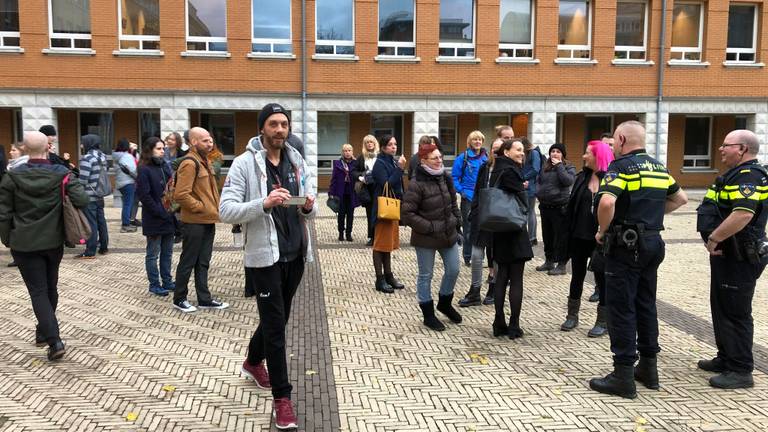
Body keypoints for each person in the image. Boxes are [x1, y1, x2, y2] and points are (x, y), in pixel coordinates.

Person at [220, 102, 316, 430]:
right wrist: (263, 203)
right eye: (273, 124)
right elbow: (226, 210)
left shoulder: (295, 159)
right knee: (276, 327)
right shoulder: (244, 164)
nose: (279, 130)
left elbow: (308, 202)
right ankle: (282, 399)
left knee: (279, 317)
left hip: (296, 253)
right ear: (262, 128)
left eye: (284, 124)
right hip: (265, 258)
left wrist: (307, 206)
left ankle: (251, 361)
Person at [589, 120, 688, 399]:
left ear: (620, 139)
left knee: (622, 308)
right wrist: (651, 218)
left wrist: (602, 230)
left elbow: (607, 202)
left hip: (625, 246)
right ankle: (648, 368)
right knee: (646, 304)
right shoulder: (658, 167)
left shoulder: (620, 168)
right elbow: (680, 199)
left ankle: (622, 376)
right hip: (653, 243)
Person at [0, 131, 89, 360]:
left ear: (25, 150)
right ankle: (46, 333)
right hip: (53, 241)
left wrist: (7, 239)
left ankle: (53, 339)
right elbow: (82, 200)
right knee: (50, 288)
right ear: (48, 147)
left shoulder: (12, 177)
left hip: (23, 242)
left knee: (38, 291)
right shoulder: (62, 174)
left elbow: (3, 213)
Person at [696, 129, 768, 389]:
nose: (721, 149)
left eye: (727, 145)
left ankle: (740, 370)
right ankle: (726, 357)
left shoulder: (749, 176)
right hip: (727, 254)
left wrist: (714, 238)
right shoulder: (735, 175)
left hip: (739, 255)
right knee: (722, 307)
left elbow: (742, 215)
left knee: (736, 312)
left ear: (742, 149)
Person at [402, 142, 462, 331]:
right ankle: (428, 314)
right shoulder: (416, 184)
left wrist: (457, 221)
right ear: (423, 161)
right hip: (426, 237)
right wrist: (429, 226)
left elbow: (453, 202)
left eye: (440, 157)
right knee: (425, 275)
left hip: (448, 233)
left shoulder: (445, 177)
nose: (439, 161)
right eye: (435, 158)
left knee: (453, 269)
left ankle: (444, 302)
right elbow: (407, 214)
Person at [172, 127, 229, 313]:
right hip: (194, 222)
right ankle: (179, 298)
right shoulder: (190, 163)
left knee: (203, 261)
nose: (210, 143)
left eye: (210, 139)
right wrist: (201, 207)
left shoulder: (205, 161)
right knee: (188, 261)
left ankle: (204, 299)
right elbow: (181, 194)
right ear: (193, 142)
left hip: (207, 221)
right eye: (205, 140)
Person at [561, 140, 614, 336]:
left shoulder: (610, 179)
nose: (584, 156)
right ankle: (572, 315)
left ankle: (603, 320)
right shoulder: (582, 178)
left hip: (601, 238)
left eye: (588, 153)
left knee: (602, 278)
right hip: (579, 235)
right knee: (577, 275)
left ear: (598, 156)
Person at [490, 139, 533, 339]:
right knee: (516, 279)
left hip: (499, 230)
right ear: (506, 152)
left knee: (501, 277)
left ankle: (499, 322)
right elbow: (522, 200)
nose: (521, 153)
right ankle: (514, 325)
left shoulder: (495, 170)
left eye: (522, 150)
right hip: (514, 229)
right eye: (517, 150)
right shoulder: (511, 172)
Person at [458, 137, 504, 307]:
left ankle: (493, 288)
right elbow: (477, 190)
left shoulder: (507, 170)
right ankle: (475, 291)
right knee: (477, 256)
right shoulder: (485, 167)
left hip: (498, 220)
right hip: (481, 217)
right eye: (494, 149)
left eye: (500, 150)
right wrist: (474, 209)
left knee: (496, 257)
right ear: (490, 150)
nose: (496, 153)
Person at [136, 137, 176, 297]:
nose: (162, 151)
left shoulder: (164, 166)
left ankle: (167, 280)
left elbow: (171, 188)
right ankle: (154, 284)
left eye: (163, 148)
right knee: (153, 253)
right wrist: (160, 211)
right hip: (154, 218)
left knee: (167, 252)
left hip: (168, 217)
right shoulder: (144, 169)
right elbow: (144, 196)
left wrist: (171, 209)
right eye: (159, 148)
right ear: (150, 150)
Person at [371, 134, 407, 294]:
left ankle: (389, 276)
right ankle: (380, 279)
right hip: (383, 210)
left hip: (392, 208)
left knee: (388, 245)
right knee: (380, 246)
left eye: (395, 144)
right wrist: (399, 169)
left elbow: (398, 185)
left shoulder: (391, 160)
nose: (394, 147)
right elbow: (387, 183)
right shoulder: (379, 163)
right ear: (384, 147)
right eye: (391, 144)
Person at [535, 143, 576, 275]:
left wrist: (559, 167)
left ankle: (562, 264)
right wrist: (538, 191)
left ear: (563, 154)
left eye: (558, 151)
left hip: (560, 207)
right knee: (548, 236)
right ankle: (549, 261)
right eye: (553, 151)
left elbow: (568, 181)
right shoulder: (545, 166)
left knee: (561, 237)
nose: (555, 153)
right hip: (545, 206)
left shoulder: (568, 167)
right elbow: (539, 181)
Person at [452, 131, 489, 266]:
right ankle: (467, 256)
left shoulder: (486, 157)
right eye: (475, 140)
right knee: (468, 228)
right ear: (470, 142)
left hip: (484, 197)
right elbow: (455, 177)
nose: (478, 142)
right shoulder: (463, 158)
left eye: (480, 139)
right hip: (468, 196)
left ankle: (480, 256)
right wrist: (461, 191)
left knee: (482, 227)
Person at [76, 134, 110, 259]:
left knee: (91, 223)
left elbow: (83, 180)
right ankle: (104, 247)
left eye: (82, 142)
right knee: (101, 221)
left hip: (89, 196)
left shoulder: (87, 158)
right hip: (100, 194)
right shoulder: (102, 156)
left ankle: (90, 250)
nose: (81, 145)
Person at [329, 143, 359, 241]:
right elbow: (333, 179)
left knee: (350, 214)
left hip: (351, 193)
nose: (347, 152)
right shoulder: (337, 163)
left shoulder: (355, 163)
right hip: (340, 193)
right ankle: (341, 233)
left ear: (352, 152)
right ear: (342, 152)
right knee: (341, 214)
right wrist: (331, 193)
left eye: (349, 150)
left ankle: (349, 233)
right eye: (345, 151)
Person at [354, 134, 379, 246]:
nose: (369, 144)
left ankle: (380, 236)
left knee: (380, 212)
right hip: (367, 189)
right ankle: (372, 237)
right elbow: (353, 171)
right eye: (367, 142)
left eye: (371, 142)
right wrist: (360, 177)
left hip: (378, 188)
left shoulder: (380, 156)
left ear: (375, 144)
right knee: (370, 213)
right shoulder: (361, 157)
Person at [114, 138, 138, 233]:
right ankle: (126, 225)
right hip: (128, 182)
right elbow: (133, 169)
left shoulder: (116, 155)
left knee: (126, 204)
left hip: (120, 183)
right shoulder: (127, 156)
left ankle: (126, 223)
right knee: (128, 204)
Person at [522, 137, 543, 245]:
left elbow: (536, 169)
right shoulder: (531, 153)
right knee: (530, 211)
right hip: (529, 186)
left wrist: (523, 177)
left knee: (529, 211)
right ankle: (532, 237)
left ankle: (531, 237)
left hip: (530, 187)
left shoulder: (533, 153)